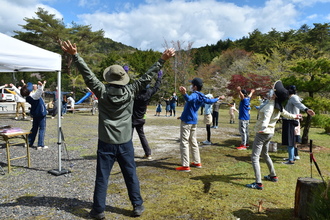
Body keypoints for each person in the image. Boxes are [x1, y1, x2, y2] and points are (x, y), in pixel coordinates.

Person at [61, 40, 175, 219]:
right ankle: (137, 206)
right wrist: (162, 59)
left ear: (109, 79)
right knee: (130, 174)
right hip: (125, 142)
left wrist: (75, 56)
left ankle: (98, 210)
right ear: (123, 79)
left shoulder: (102, 91)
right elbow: (147, 77)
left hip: (105, 142)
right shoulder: (131, 90)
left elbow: (88, 75)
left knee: (102, 177)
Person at [246, 81, 302, 190]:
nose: (271, 90)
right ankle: (273, 175)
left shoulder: (271, 106)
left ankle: (258, 183)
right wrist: (295, 116)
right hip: (269, 133)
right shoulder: (278, 104)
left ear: (275, 94)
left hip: (263, 133)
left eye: (273, 89)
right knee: (265, 154)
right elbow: (286, 114)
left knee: (254, 157)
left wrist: (263, 127)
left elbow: (266, 117)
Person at [176, 78, 222, 172]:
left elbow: (189, 99)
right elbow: (209, 101)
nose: (191, 86)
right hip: (193, 120)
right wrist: (218, 98)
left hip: (187, 121)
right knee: (193, 141)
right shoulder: (201, 96)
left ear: (195, 86)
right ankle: (197, 162)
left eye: (192, 84)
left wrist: (184, 93)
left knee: (184, 142)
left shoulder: (194, 95)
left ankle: (185, 165)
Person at [132, 70, 163, 159]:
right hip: (141, 118)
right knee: (142, 136)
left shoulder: (136, 94)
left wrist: (125, 74)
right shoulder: (148, 93)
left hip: (132, 118)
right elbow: (156, 87)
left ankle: (128, 154)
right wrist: (159, 77)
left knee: (128, 138)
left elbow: (126, 87)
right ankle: (148, 153)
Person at [281, 85, 315, 165]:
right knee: (292, 141)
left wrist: (306, 109)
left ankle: (291, 160)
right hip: (290, 120)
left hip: (291, 122)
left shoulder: (293, 98)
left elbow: (299, 105)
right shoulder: (291, 98)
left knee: (290, 141)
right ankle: (292, 157)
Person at [20, 81, 48, 150]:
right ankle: (40, 145)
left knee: (34, 128)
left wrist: (41, 86)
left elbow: (37, 92)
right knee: (42, 129)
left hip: (35, 113)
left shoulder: (27, 96)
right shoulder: (34, 96)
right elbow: (39, 92)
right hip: (41, 113)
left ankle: (29, 142)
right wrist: (40, 86)